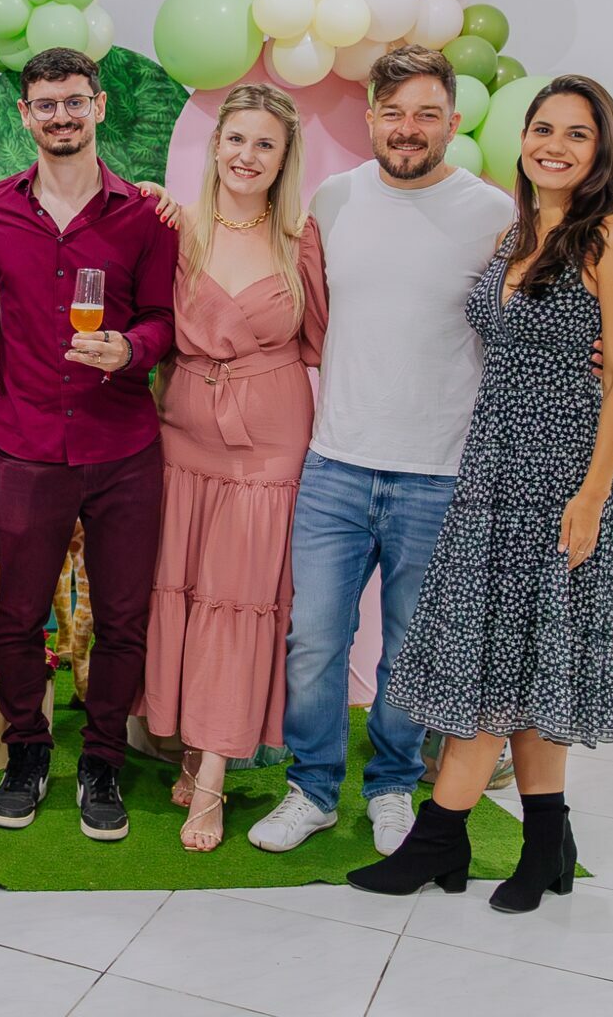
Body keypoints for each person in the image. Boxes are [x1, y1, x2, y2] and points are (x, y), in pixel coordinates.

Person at [349, 75, 613, 911]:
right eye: (543, 128)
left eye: (577, 134)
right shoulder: (514, 235)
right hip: (489, 475)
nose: (555, 145)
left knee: (504, 664)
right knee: (514, 665)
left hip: (557, 484)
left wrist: (591, 497)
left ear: (602, 150)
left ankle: (441, 836)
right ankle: (545, 842)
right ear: (523, 139)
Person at [246, 46, 515, 858]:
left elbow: (524, 320)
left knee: (408, 649)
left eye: (426, 113)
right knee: (314, 641)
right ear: (369, 119)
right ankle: (312, 789)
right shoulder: (334, 200)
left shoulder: (493, 213)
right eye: (393, 113)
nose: (408, 128)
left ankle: (392, 785)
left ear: (452, 122)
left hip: (439, 472)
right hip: (335, 463)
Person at [0, 47, 179, 843]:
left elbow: (162, 318)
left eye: (74, 102)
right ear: (25, 116)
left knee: (123, 617)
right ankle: (27, 753)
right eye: (46, 104)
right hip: (26, 447)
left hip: (124, 448)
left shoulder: (145, 216)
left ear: (99, 107)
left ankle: (102, 763)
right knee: (17, 618)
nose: (61, 116)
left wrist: (133, 348)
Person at [136, 84, 326, 852]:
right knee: (182, 591)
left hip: (270, 441)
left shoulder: (302, 241)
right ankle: (188, 742)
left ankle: (214, 771)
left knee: (238, 601)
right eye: (237, 139)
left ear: (284, 161)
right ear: (215, 146)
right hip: (183, 433)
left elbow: (328, 340)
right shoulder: (174, 228)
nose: (248, 156)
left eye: (265, 145)